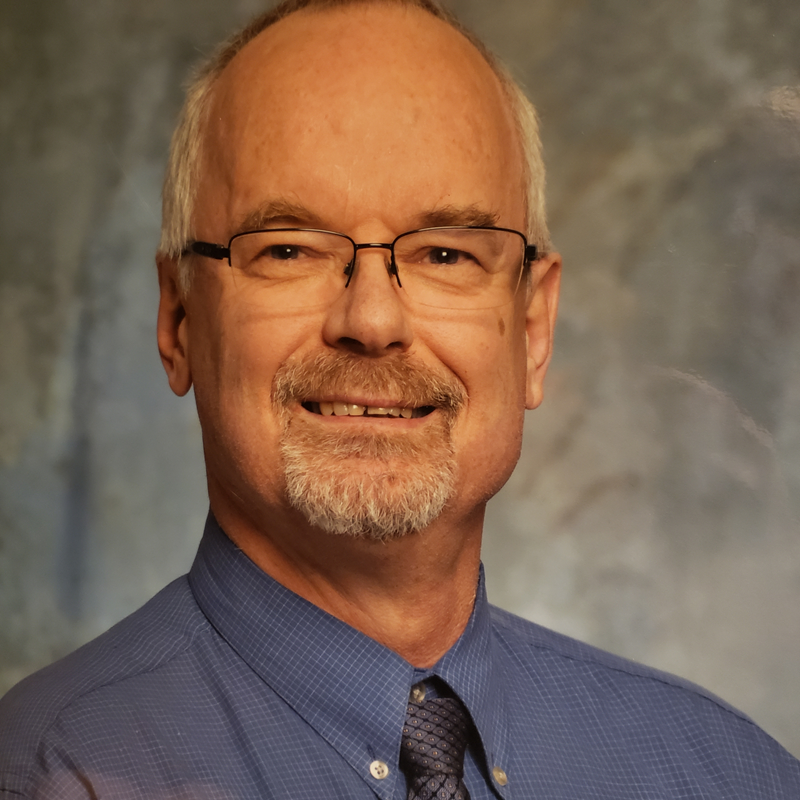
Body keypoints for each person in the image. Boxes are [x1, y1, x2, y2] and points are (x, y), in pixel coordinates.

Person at [1, 0, 798, 797]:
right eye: (288, 248)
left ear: (532, 328)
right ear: (178, 317)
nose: (373, 320)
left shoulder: (729, 773)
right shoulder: (50, 772)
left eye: (446, 253)